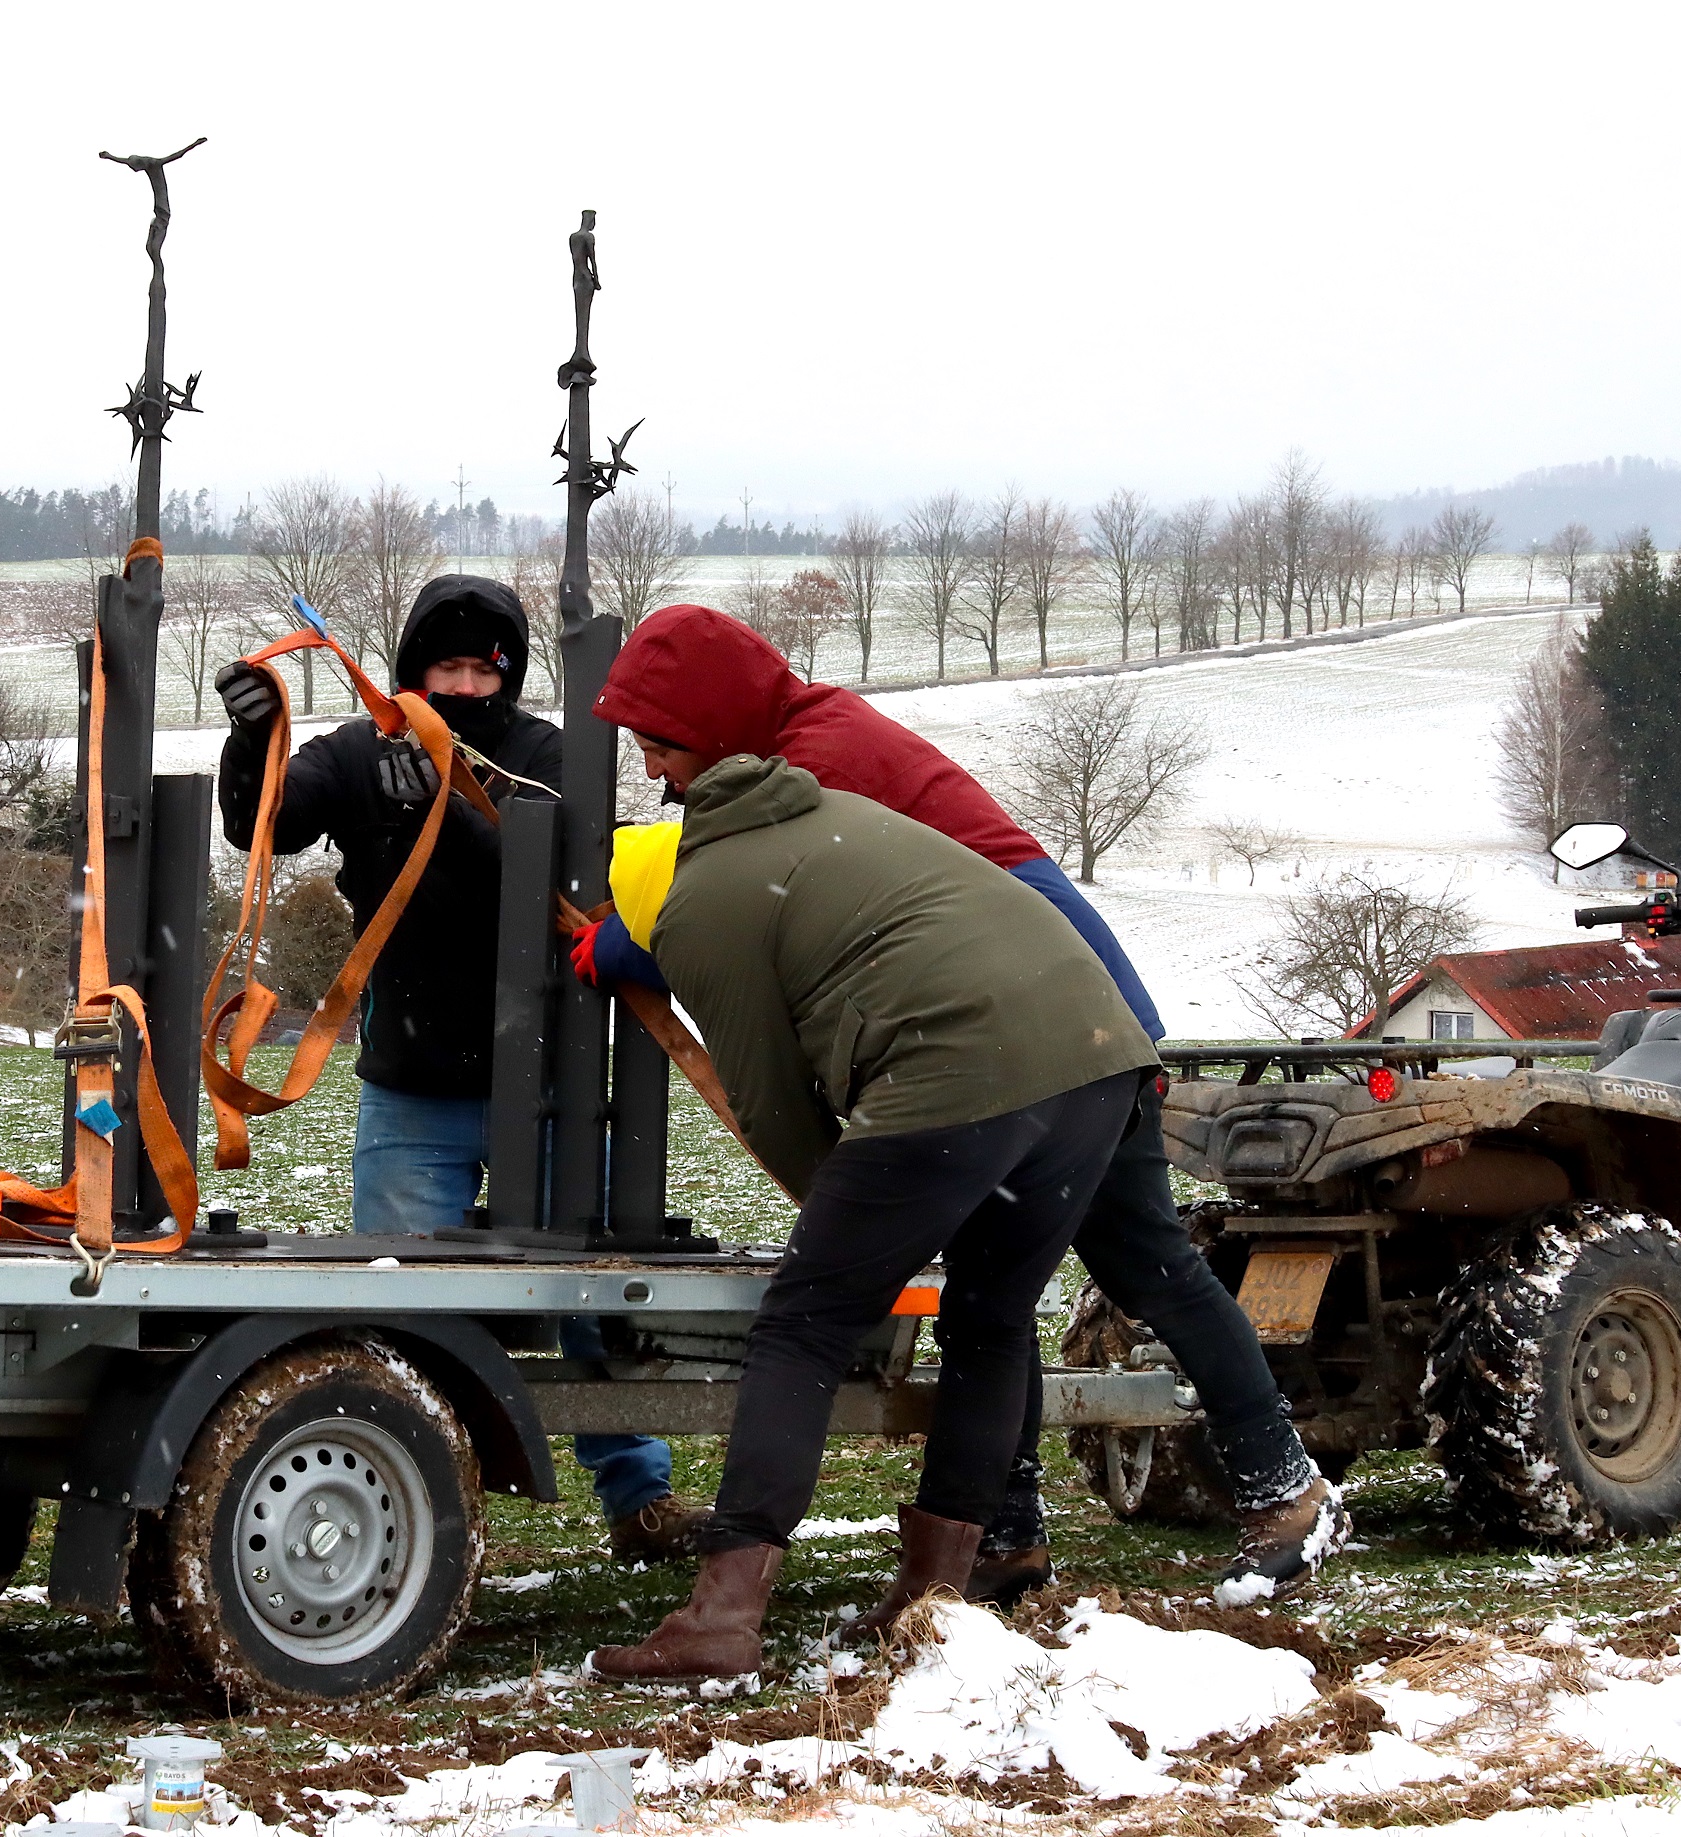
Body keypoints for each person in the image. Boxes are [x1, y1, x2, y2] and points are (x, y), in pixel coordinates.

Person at [581, 602, 1336, 1606]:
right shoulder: (800, 739)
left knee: (1128, 1265)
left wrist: (622, 947)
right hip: (1058, 1018)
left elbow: (747, 898)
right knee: (1005, 1290)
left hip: (1044, 1022)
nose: (649, 771)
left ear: (714, 719)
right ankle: (1010, 1536)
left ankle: (1280, 1488)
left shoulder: (820, 765)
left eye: (660, 743)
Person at [586, 755, 1156, 1684]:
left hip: (966, 1063)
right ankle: (938, 1602)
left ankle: (722, 1615)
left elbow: (766, 1096)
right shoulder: (826, 809)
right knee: (992, 1315)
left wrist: (844, 1224)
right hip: (1099, 1054)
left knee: (805, 1322)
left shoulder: (696, 906)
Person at [212, 576, 706, 1562]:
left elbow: (571, 878)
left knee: (598, 1295)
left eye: (488, 666)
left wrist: (458, 806)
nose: (468, 682)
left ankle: (638, 1495)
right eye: (448, 665)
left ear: (511, 674)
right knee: (399, 1311)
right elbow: (258, 826)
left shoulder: (550, 754)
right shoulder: (359, 749)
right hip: (412, 1083)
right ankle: (422, 1501)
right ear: (411, 669)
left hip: (556, 1085)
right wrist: (254, 741)